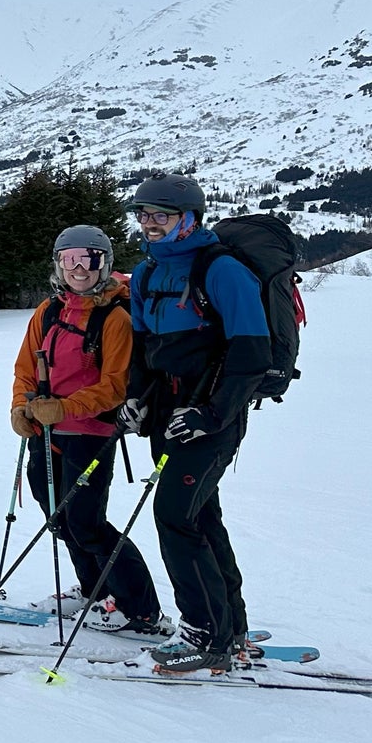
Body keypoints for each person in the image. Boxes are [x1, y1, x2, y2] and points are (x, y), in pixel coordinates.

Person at [120, 173, 272, 675]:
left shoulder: (221, 270)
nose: (149, 224)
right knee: (201, 517)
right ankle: (232, 629)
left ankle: (206, 635)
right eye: (143, 215)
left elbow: (251, 353)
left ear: (189, 220)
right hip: (168, 415)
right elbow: (145, 352)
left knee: (175, 517)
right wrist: (136, 400)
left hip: (212, 418)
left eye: (160, 215)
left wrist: (211, 413)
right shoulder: (145, 275)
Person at [10, 225, 167, 636]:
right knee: (58, 518)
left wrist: (62, 408)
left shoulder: (114, 317)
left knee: (86, 523)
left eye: (89, 259)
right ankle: (95, 593)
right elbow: (26, 366)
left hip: (90, 434)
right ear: (58, 265)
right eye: (69, 260)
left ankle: (142, 610)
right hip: (46, 434)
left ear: (105, 264)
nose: (79, 269)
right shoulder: (48, 311)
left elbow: (115, 385)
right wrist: (20, 407)